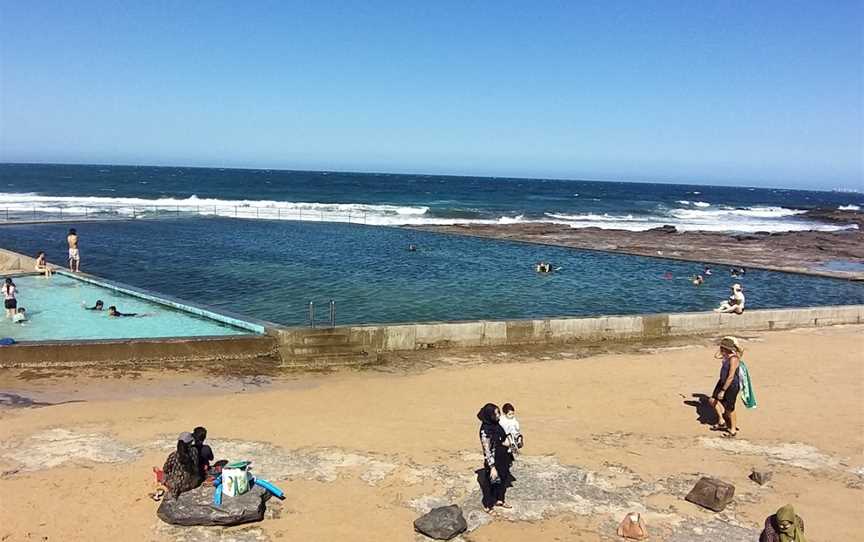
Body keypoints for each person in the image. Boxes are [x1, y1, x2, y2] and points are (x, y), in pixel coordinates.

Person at [477, 403, 514, 512]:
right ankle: (488, 505)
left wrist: (509, 441)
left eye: (498, 413)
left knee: (503, 479)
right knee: (491, 482)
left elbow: (503, 436)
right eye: (496, 414)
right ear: (489, 415)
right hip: (494, 460)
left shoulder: (497, 424)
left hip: (503, 457)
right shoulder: (485, 431)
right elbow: (487, 450)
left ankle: (500, 500)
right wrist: (492, 467)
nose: (499, 416)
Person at [708, 336, 742, 437]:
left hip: (731, 385)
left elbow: (731, 376)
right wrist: (722, 349)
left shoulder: (734, 358)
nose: (721, 349)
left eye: (722, 347)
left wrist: (723, 390)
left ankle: (732, 430)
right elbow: (716, 356)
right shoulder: (725, 355)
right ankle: (721, 420)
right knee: (712, 400)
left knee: (729, 408)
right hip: (722, 382)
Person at [162, 432, 202, 497]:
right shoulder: (195, 451)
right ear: (191, 442)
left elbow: (166, 469)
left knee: (163, 474)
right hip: (193, 482)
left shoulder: (174, 455)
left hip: (177, 485)